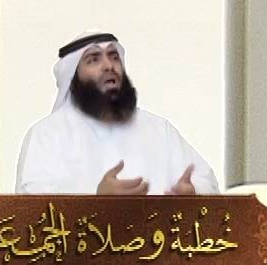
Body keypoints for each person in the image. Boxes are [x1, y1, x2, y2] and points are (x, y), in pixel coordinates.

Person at [15, 32, 219, 196]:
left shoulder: (158, 129)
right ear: (72, 77)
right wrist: (96, 202)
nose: (109, 66)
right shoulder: (46, 135)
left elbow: (205, 180)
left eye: (114, 57)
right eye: (93, 60)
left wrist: (193, 194)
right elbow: (32, 208)